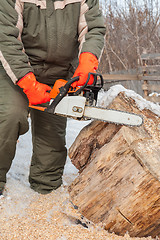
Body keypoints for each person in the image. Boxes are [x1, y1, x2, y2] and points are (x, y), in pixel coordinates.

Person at [0, 0, 105, 195]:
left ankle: (46, 191)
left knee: (51, 137)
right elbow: (5, 37)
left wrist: (86, 64)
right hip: (15, 68)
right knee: (10, 114)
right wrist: (28, 83)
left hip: (60, 72)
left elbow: (93, 29)